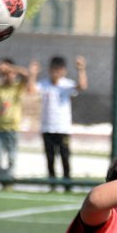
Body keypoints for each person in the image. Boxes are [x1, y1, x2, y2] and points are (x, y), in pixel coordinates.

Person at [33, 56, 87, 192]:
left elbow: (82, 86)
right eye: (53, 70)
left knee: (65, 156)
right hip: (47, 127)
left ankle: (67, 183)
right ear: (50, 70)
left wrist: (81, 69)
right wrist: (32, 74)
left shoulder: (67, 84)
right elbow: (31, 90)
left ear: (64, 71)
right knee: (50, 157)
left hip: (63, 128)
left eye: (59, 70)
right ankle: (52, 184)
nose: (56, 73)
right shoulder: (44, 84)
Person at [0, 58, 35, 187]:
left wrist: (9, 68)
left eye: (10, 73)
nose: (8, 75)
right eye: (5, 73)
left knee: (11, 157)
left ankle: (9, 180)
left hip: (13, 128)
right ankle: (2, 179)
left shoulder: (17, 87)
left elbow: (26, 74)